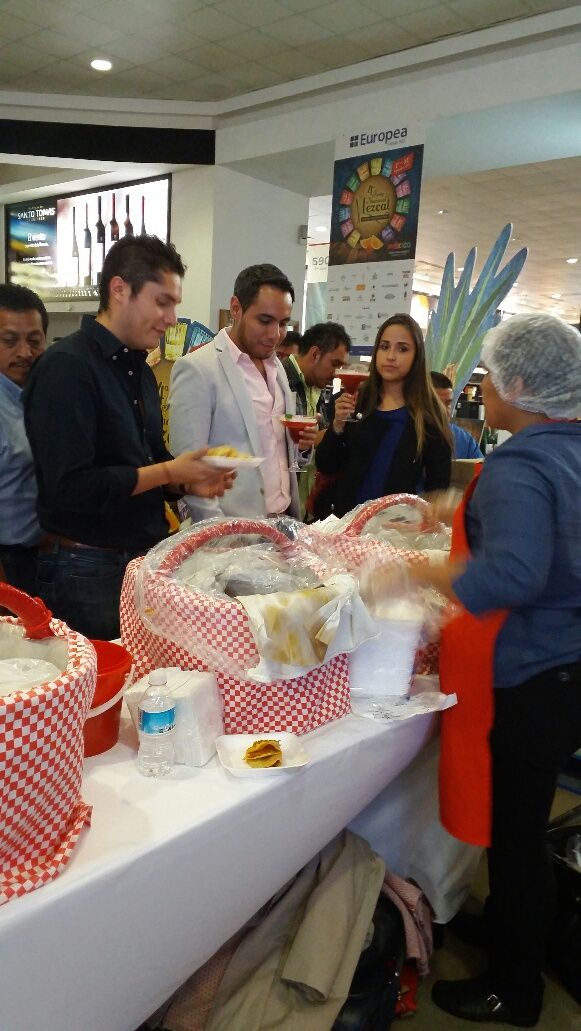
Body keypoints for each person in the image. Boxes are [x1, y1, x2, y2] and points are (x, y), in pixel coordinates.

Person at [386, 314, 581, 1026]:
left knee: (517, 836)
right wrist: (452, 512)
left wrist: (410, 579)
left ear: (521, 386)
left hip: (529, 675)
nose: (482, 389)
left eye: (490, 379)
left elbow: (515, 571)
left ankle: (515, 987)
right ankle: (506, 927)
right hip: (568, 666)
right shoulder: (566, 451)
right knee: (521, 826)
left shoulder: (520, 463)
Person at [23, 236, 233, 641]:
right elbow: (72, 487)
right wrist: (169, 470)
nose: (172, 318)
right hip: (87, 565)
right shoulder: (67, 368)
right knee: (102, 687)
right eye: (162, 301)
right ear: (120, 290)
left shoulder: (137, 369)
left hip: (141, 558)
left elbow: (145, 457)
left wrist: (187, 480)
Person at [169, 263, 318, 521]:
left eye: (283, 323)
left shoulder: (278, 368)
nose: (275, 334)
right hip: (231, 532)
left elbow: (279, 452)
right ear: (236, 308)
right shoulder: (198, 368)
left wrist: (302, 447)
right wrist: (219, 536)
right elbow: (189, 470)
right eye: (265, 320)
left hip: (285, 521)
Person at [314, 313, 452, 519]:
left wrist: (418, 520)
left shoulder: (429, 415)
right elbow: (327, 465)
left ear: (417, 356)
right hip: (343, 527)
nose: (391, 356)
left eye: (402, 349)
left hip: (392, 534)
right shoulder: (355, 401)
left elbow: (438, 485)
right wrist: (337, 427)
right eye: (384, 346)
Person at [0, 284, 48, 595]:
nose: (24, 353)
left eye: (34, 340)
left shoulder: (43, 396)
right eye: (9, 341)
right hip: (6, 563)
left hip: (42, 558)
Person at [281, 321, 351, 516]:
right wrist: (334, 430)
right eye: (334, 364)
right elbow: (284, 441)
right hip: (278, 506)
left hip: (304, 509)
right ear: (314, 354)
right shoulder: (280, 380)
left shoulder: (317, 386)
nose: (337, 373)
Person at [430, 370, 484, 458]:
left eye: (448, 404)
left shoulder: (463, 440)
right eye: (436, 404)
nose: (444, 411)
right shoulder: (404, 434)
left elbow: (480, 469)